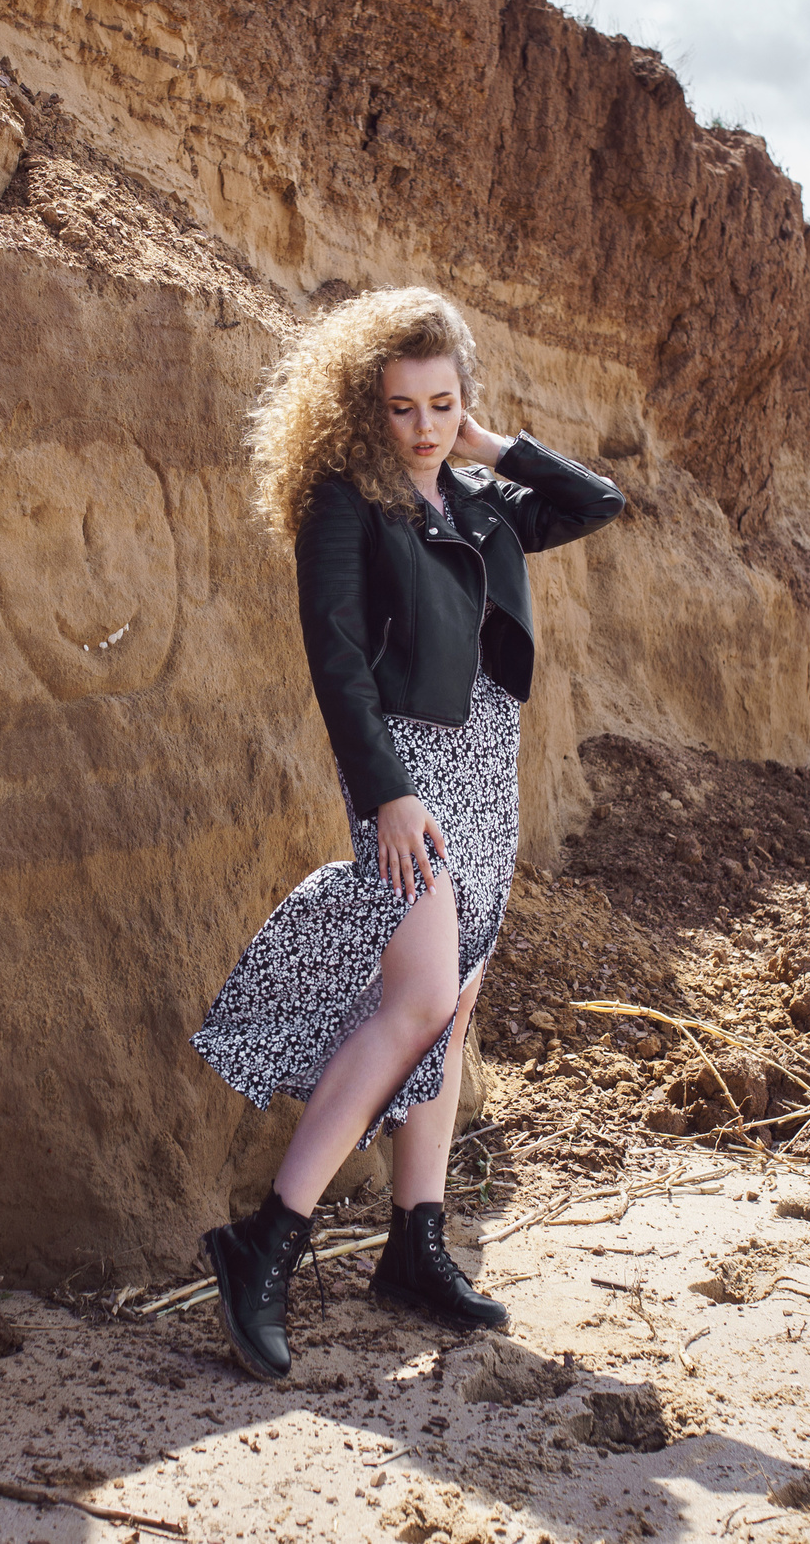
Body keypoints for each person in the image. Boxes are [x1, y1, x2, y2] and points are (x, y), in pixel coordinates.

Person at [190, 286, 625, 1381]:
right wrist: (382, 791)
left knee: (457, 1001)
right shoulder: (346, 504)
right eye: (401, 407)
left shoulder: (483, 498)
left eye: (442, 403)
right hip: (411, 774)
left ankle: (414, 1245)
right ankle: (263, 1244)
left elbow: (596, 501)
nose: (424, 427)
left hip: (487, 765)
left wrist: (496, 444)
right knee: (419, 997)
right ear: (361, 410)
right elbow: (334, 657)